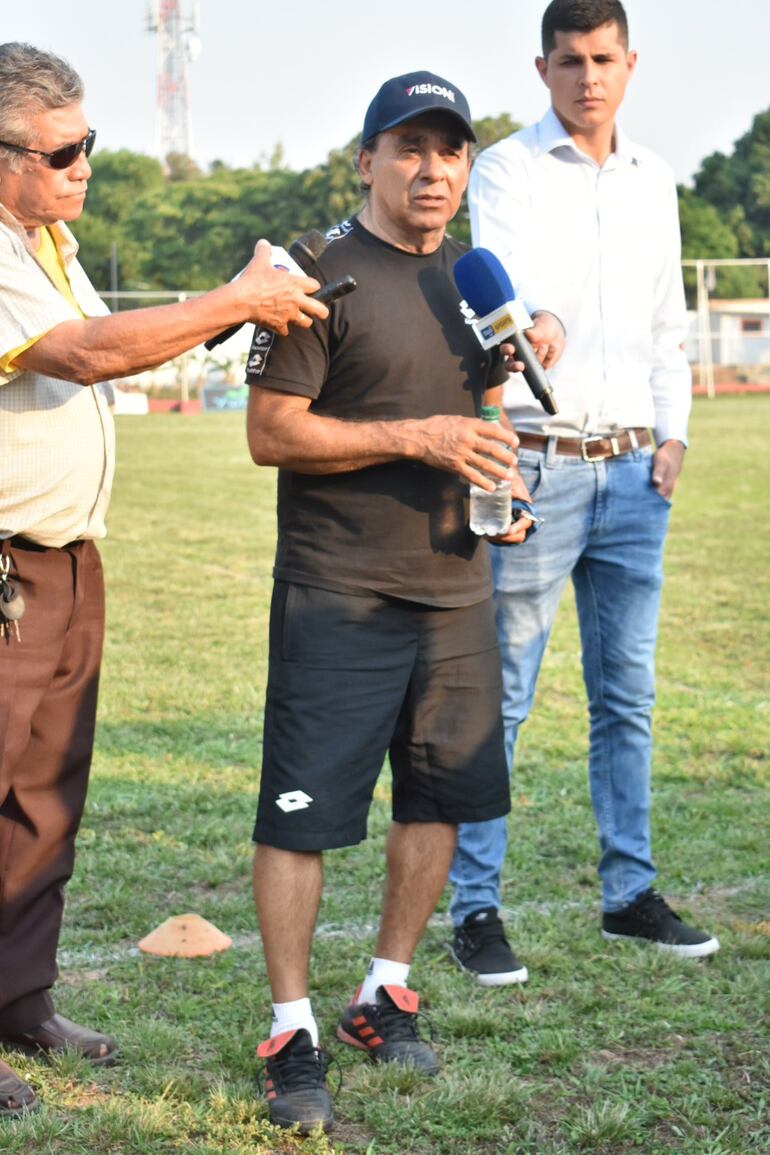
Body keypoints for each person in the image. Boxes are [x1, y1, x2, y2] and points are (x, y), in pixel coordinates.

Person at [0, 41, 328, 1119]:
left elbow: (124, 344)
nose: (83, 166)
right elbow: (87, 354)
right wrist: (232, 295)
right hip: (4, 563)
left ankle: (19, 1003)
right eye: (60, 151)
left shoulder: (46, 237)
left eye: (88, 142)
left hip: (66, 558)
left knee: (47, 797)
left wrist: (241, 308)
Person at [243, 69, 564, 1135]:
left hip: (453, 591)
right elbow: (271, 434)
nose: (432, 171)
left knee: (436, 799)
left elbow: (480, 419)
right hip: (338, 594)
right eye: (410, 149)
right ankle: (290, 1029)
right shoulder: (313, 275)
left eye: (451, 152)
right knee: (302, 817)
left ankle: (383, 991)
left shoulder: (472, 285)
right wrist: (412, 437)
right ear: (367, 160)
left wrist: (498, 493)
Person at [448, 0, 720, 989]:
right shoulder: (508, 170)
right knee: (505, 694)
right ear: (542, 67)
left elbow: (662, 328)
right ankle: (474, 908)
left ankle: (627, 895)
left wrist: (676, 432)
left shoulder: (654, 180)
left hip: (635, 470)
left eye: (602, 58)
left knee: (626, 698)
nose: (586, 77)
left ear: (629, 63)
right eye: (568, 60)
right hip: (539, 463)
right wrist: (539, 325)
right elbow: (504, 290)